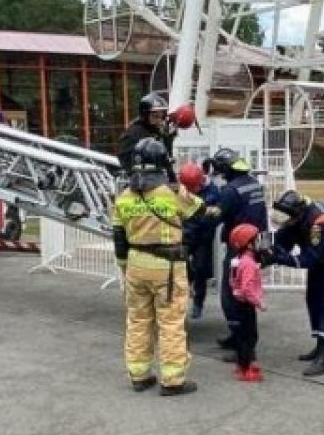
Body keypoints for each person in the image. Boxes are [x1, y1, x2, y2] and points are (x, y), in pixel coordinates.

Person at [112, 138, 205, 396]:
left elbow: (119, 240)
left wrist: (124, 267)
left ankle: (139, 375)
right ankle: (172, 380)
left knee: (138, 320)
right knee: (171, 322)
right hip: (167, 267)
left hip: (134, 265)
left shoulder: (123, 198)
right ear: (163, 162)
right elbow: (200, 211)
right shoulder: (173, 193)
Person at [264, 190, 324, 377]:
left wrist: (281, 259)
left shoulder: (319, 222)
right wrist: (264, 252)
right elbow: (282, 240)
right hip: (320, 253)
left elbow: (309, 258)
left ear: (296, 214)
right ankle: (320, 344)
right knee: (313, 298)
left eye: (288, 220)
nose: (286, 223)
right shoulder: (293, 215)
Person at [206, 147, 268, 351]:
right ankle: (239, 338)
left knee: (232, 296)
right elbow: (263, 216)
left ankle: (243, 344)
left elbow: (215, 218)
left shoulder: (231, 191)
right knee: (245, 294)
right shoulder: (254, 185)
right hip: (255, 246)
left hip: (239, 249)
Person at [178, 161, 220, 320]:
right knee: (182, 269)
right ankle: (181, 302)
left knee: (201, 269)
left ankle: (198, 302)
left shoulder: (212, 191)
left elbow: (217, 211)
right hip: (186, 235)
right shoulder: (181, 189)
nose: (189, 191)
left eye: (191, 187)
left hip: (203, 236)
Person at [226, 223, 265, 382]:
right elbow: (247, 288)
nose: (259, 243)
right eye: (256, 240)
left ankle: (242, 365)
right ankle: (245, 368)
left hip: (238, 303)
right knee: (250, 338)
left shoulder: (238, 260)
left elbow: (232, 282)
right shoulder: (248, 263)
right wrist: (259, 303)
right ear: (248, 244)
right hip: (246, 304)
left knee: (243, 336)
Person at [117, 92, 176, 181]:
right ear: (145, 115)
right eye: (155, 116)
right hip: (143, 184)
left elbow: (166, 160)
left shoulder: (158, 134)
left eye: (162, 116)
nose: (159, 120)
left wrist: (168, 139)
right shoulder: (134, 134)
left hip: (160, 182)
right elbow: (126, 162)